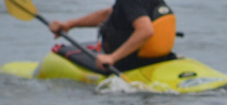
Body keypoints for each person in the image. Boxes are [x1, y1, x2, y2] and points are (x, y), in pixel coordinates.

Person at [48, 0, 176, 72]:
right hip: (159, 60)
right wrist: (70, 24)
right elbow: (109, 14)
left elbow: (146, 31)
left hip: (131, 64)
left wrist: (112, 58)